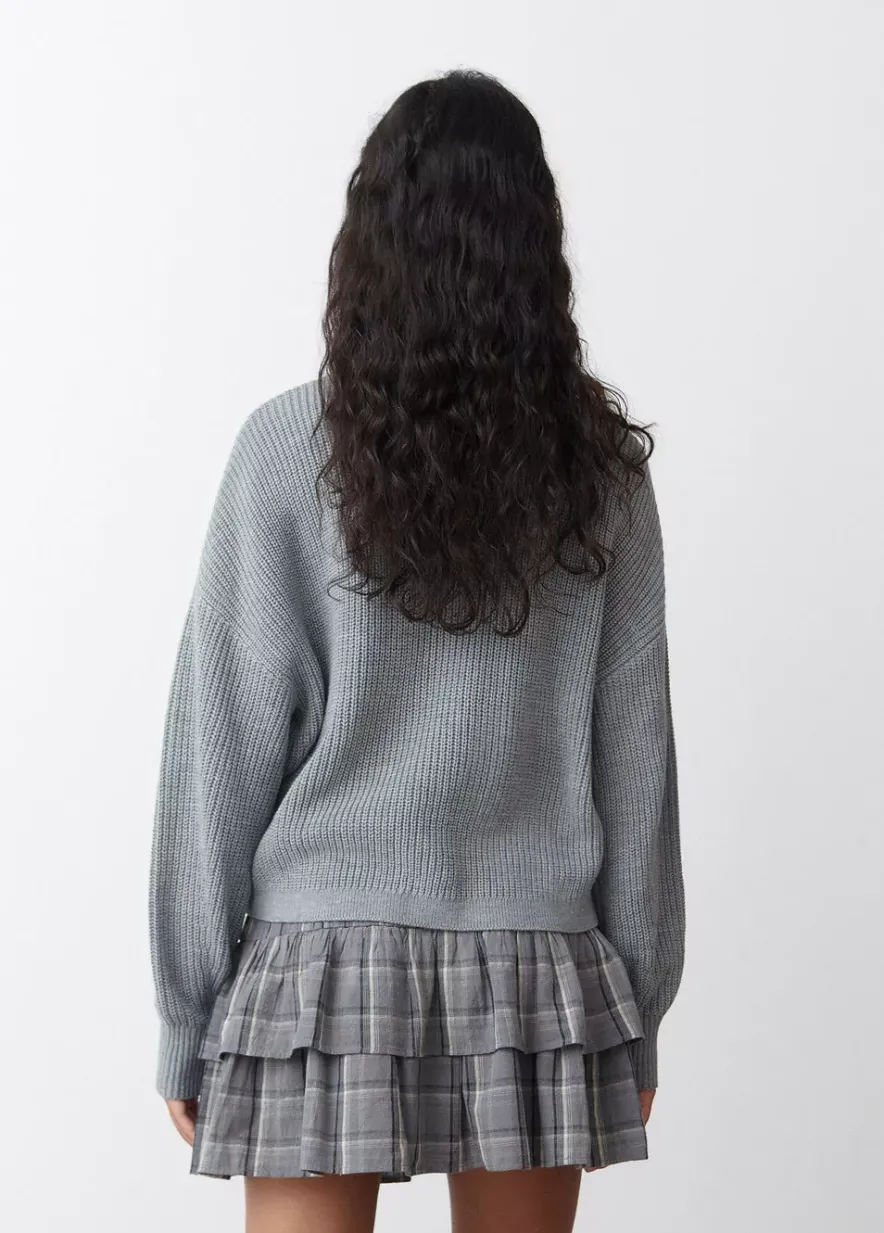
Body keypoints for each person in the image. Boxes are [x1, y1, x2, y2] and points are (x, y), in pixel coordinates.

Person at [148, 67, 686, 1233]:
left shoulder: (285, 450)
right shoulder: (600, 477)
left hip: (316, 978)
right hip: (534, 976)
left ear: (368, 240)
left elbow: (218, 748)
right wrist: (637, 1006)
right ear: (536, 250)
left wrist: (186, 1012)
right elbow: (634, 762)